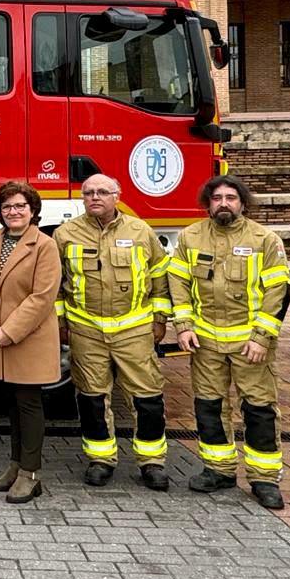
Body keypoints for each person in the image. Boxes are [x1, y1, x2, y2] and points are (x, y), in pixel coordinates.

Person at [168, 175, 290, 510]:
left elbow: (277, 293)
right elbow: (177, 284)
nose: (224, 203)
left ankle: (264, 479)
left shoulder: (264, 239)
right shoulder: (190, 238)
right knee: (209, 407)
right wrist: (183, 326)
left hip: (250, 344)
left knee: (259, 409)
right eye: (217, 197)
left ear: (243, 202)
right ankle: (218, 469)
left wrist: (261, 338)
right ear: (207, 203)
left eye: (231, 197)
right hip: (205, 342)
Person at [53, 173, 173, 490]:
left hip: (133, 329)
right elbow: (57, 287)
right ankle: (101, 459)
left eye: (103, 192)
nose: (95, 197)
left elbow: (160, 277)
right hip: (86, 330)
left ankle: (152, 463)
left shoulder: (140, 231)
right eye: (89, 192)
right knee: (92, 398)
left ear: (116, 196)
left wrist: (160, 319)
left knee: (146, 397)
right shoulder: (66, 234)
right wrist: (61, 324)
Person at [0, 181, 63, 505]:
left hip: (26, 337)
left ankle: (30, 474)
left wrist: (8, 331)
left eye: (20, 206)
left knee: (29, 404)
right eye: (7, 207)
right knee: (10, 404)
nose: (13, 212)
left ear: (33, 210)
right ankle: (15, 465)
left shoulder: (44, 245)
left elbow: (42, 297)